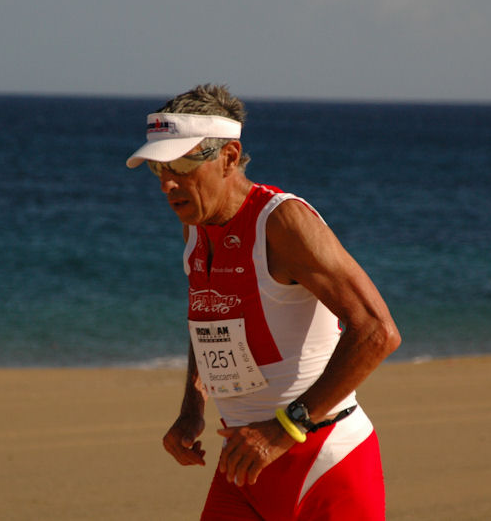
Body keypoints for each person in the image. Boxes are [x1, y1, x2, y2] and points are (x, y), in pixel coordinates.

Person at [126, 84, 401, 520]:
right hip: (244, 461)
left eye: (181, 164)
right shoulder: (195, 227)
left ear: (229, 157)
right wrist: (192, 407)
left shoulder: (282, 221)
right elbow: (209, 321)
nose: (167, 183)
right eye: (158, 168)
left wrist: (285, 427)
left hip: (323, 461)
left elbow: (377, 332)